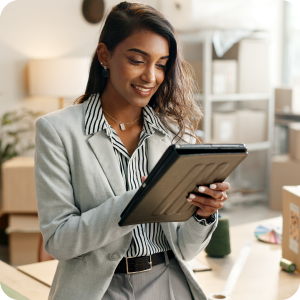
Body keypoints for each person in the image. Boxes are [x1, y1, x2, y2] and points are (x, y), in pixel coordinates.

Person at [34, 2, 230, 300]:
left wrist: (202, 215)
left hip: (169, 283)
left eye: (162, 64)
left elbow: (187, 249)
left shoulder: (177, 132)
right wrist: (134, 203)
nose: (151, 76)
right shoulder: (57, 131)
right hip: (98, 290)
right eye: (138, 60)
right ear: (105, 56)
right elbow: (59, 241)